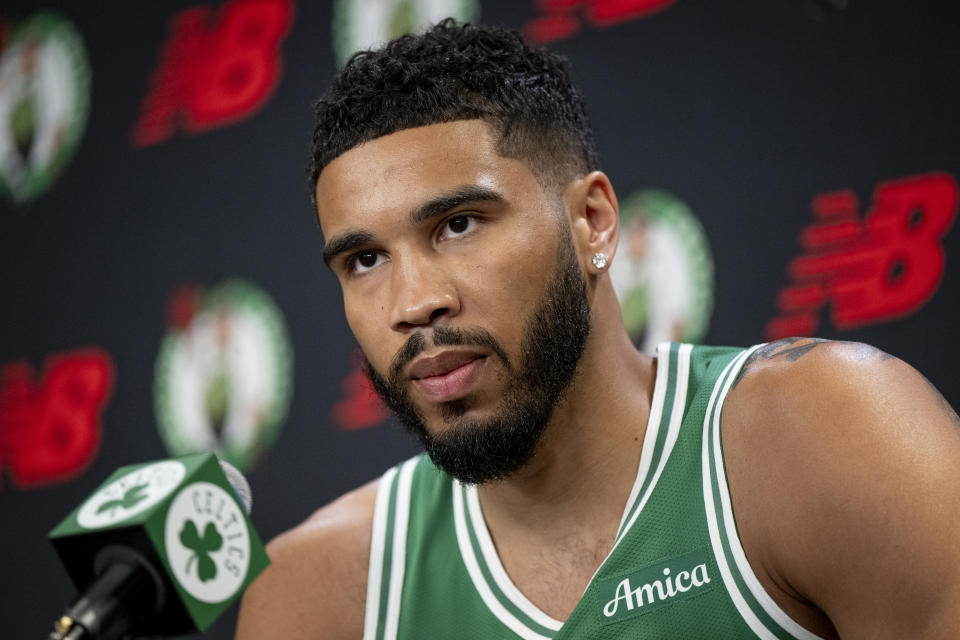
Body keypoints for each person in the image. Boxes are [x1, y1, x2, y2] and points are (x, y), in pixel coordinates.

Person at [235, 20, 960, 640]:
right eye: (365, 260)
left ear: (593, 223)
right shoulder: (321, 598)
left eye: (458, 225)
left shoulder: (827, 437)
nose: (414, 302)